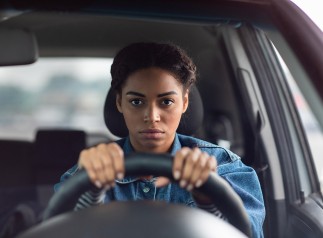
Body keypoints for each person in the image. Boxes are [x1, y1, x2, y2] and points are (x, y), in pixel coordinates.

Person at [54, 42, 265, 237]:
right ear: (119, 103)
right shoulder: (83, 177)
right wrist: (90, 194)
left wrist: (208, 200)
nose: (152, 116)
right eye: (137, 101)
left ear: (184, 103)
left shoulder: (225, 169)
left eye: (166, 102)